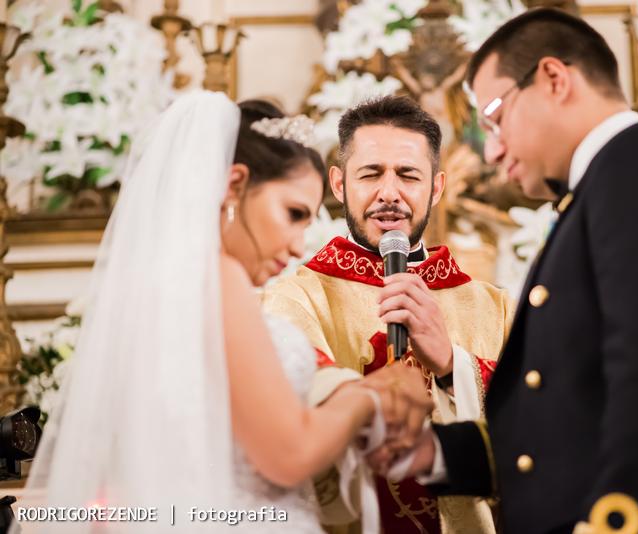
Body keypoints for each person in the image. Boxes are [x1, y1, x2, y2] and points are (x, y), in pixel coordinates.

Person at [376, 8, 638, 534]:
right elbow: (567, 423)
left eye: (494, 117)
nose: (492, 149)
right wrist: (430, 453)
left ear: (554, 80)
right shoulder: (601, 191)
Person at [20, 92, 432, 533]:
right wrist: (369, 394)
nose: (297, 245)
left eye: (307, 223)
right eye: (292, 213)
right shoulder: (216, 278)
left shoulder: (167, 284)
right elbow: (289, 454)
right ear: (234, 185)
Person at [262, 95, 512, 533]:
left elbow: (547, 426)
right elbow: (286, 415)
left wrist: (456, 368)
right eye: (371, 174)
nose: (389, 193)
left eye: (408, 175)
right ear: (339, 185)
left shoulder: (494, 307)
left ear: (436, 188)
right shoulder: (298, 297)